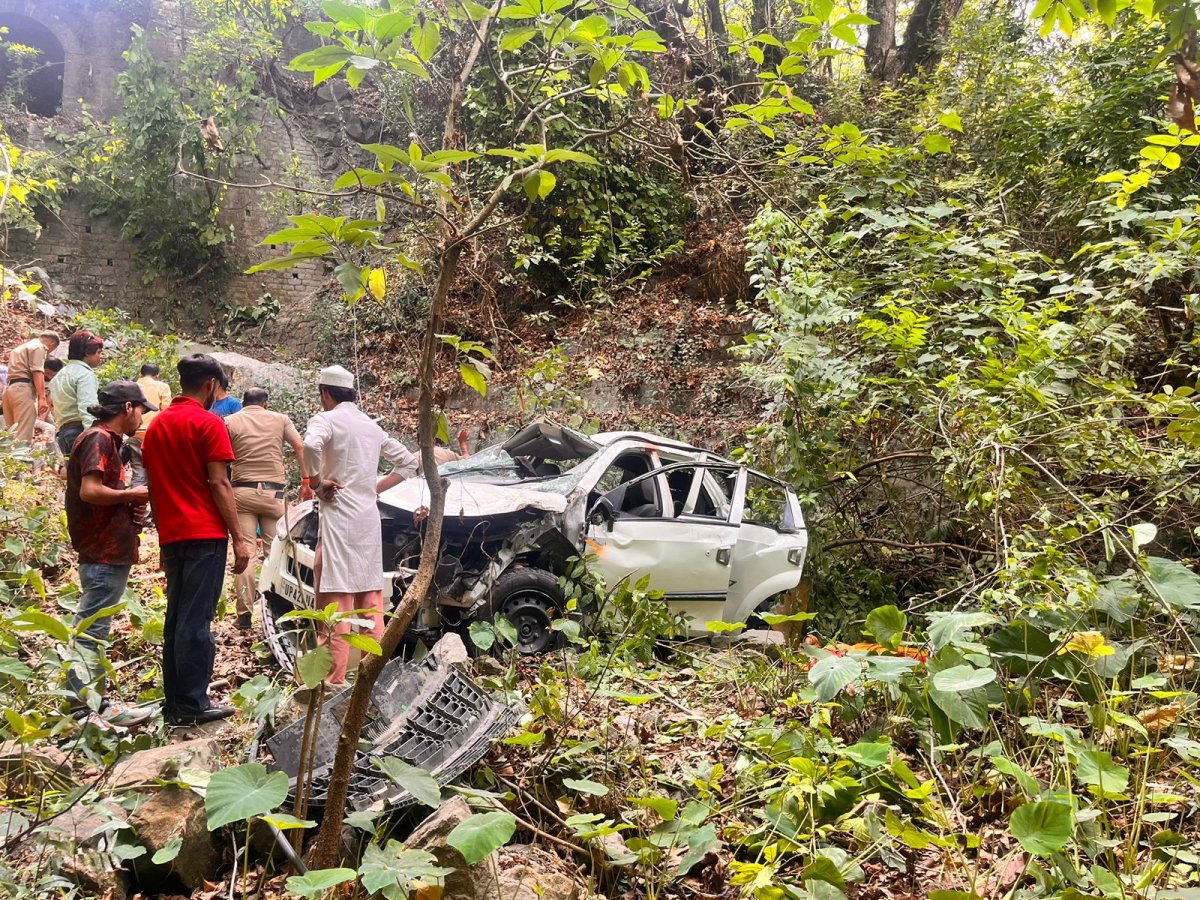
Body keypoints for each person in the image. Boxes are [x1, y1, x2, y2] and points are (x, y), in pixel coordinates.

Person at [142, 354, 253, 726]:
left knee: (175, 618)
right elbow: (219, 482)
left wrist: (161, 537)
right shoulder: (208, 423)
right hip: (205, 532)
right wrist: (240, 537)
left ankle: (175, 701)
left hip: (173, 534)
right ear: (210, 385)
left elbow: (154, 489)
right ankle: (193, 704)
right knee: (196, 620)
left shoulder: (156, 426)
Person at [303, 365, 417, 686]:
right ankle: (372, 679)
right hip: (368, 520)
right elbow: (408, 463)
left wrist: (316, 481)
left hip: (338, 519)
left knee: (334, 602)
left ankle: (332, 680)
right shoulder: (371, 426)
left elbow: (311, 446)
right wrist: (373, 489)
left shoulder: (324, 420)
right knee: (370, 599)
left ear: (325, 393)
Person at [64, 380, 157, 727]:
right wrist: (130, 496)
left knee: (95, 629)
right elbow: (90, 491)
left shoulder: (107, 441)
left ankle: (91, 704)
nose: (142, 417)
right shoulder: (99, 439)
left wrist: (127, 502)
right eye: (141, 410)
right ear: (128, 408)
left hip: (108, 549)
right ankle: (81, 708)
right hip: (101, 552)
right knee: (90, 631)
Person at [224, 387, 313, 630]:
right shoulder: (280, 419)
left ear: (244, 404)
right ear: (266, 404)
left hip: (241, 492)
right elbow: (300, 445)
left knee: (246, 553)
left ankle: (243, 615)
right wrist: (306, 482)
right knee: (278, 553)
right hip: (275, 494)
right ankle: (283, 613)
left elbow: (220, 458)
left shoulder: (230, 421)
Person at [50, 331, 104, 455]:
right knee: (88, 474)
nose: (100, 357)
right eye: (98, 352)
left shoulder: (60, 375)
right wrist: (93, 436)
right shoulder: (85, 374)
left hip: (63, 433)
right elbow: (88, 408)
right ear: (87, 353)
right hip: (79, 431)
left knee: (72, 473)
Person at [3, 331, 60, 443]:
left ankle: (9, 460)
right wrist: (42, 398)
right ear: (52, 344)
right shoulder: (39, 347)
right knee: (23, 435)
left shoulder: (20, 349)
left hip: (10, 389)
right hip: (24, 390)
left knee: (11, 434)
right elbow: (38, 372)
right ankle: (20, 460)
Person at [128, 363, 173, 489]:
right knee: (156, 473)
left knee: (138, 473)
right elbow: (166, 411)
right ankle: (155, 507)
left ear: (140, 375)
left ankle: (135, 505)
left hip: (133, 433)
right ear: (157, 376)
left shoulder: (132, 386)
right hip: (153, 435)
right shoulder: (162, 386)